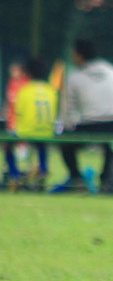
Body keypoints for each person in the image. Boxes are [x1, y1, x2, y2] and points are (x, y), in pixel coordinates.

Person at [54, 39, 113, 193]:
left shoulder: (75, 76)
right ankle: (105, 181)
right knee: (111, 149)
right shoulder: (112, 71)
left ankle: (77, 178)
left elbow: (67, 106)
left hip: (88, 124)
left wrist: (66, 125)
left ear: (79, 55)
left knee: (65, 144)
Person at [9, 59, 58, 190]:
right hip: (46, 132)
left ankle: (15, 174)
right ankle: (42, 170)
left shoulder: (24, 91)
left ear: (28, 73)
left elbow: (19, 112)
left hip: (26, 131)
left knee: (7, 145)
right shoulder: (51, 90)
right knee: (41, 145)